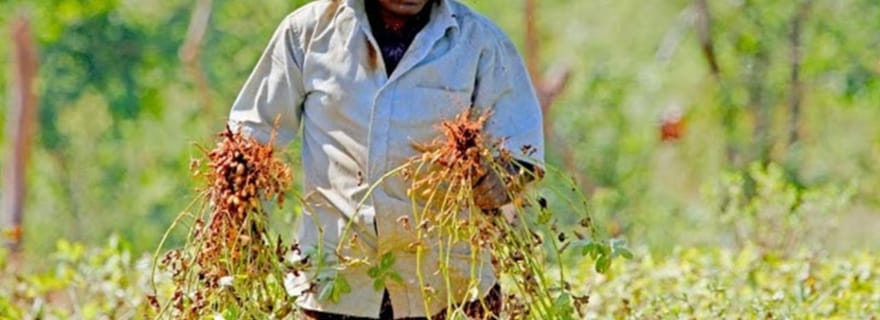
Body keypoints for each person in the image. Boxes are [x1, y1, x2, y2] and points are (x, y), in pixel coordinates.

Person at [227, 0, 544, 318]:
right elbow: (251, 136)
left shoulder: (480, 41)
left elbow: (521, 150)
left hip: (448, 287)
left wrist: (501, 180)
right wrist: (241, 228)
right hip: (335, 285)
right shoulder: (306, 34)